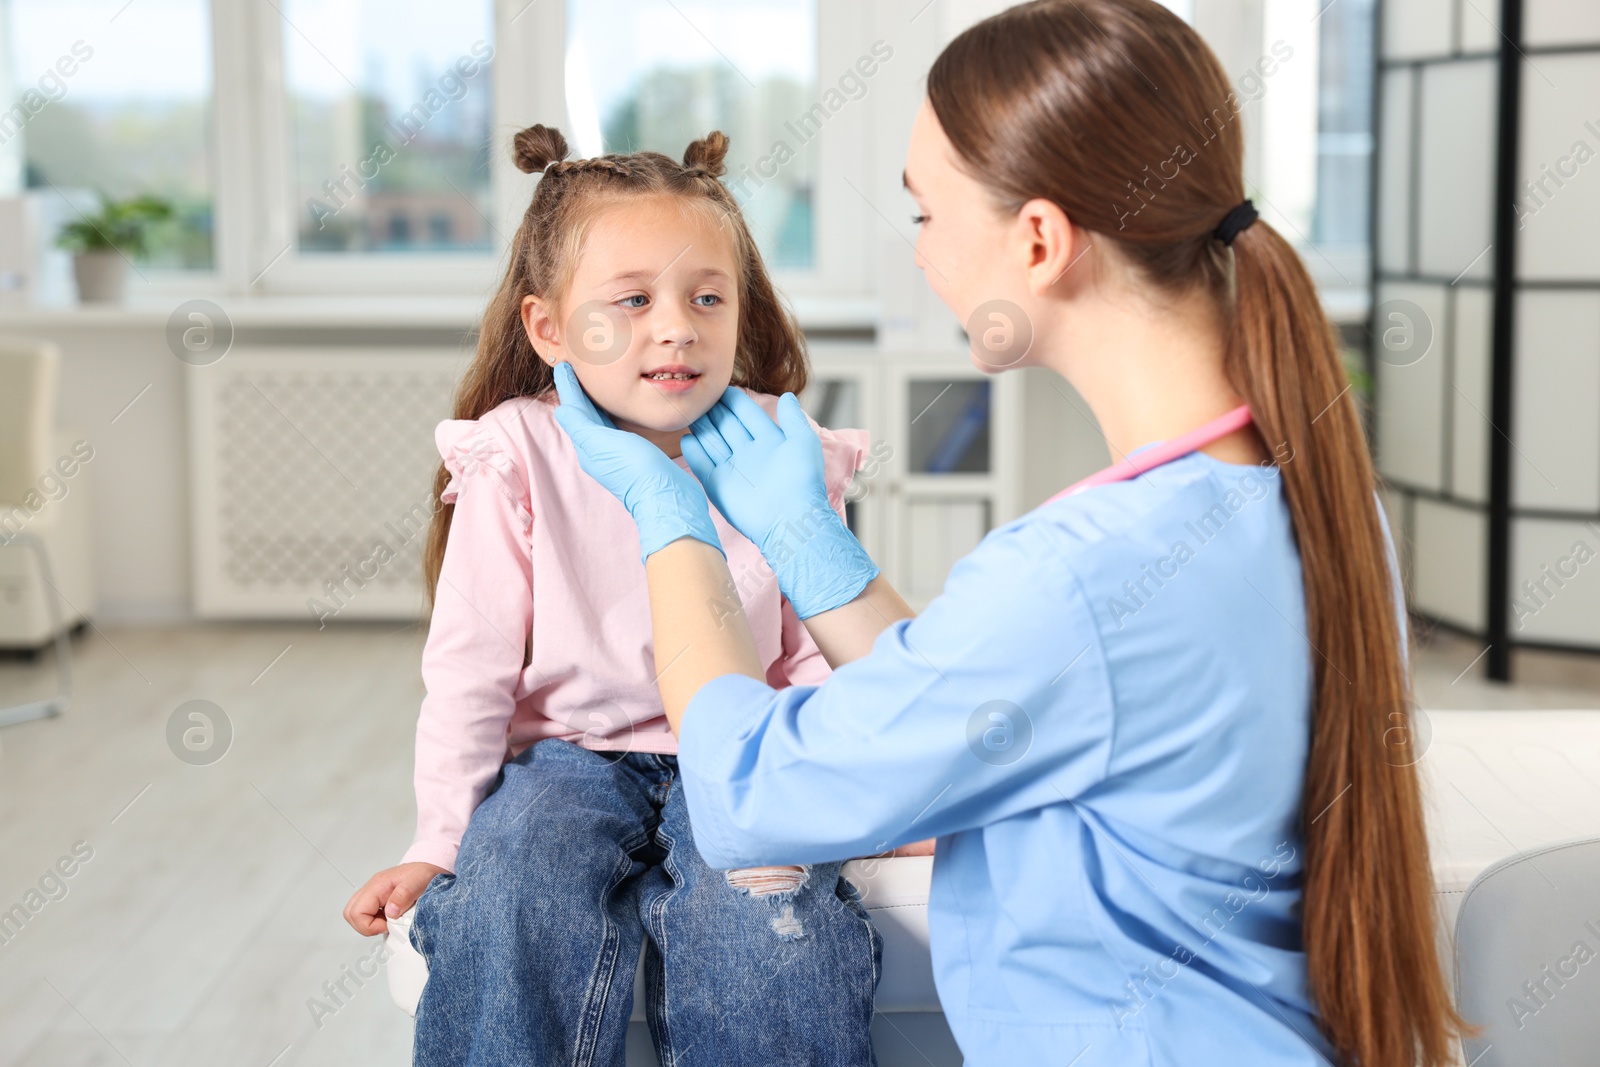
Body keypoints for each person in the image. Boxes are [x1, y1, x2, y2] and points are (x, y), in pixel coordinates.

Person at [549, 1, 1471, 1065]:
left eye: (927, 215)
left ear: (1038, 238)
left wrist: (671, 521)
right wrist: (808, 545)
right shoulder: (1310, 502)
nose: (922, 256)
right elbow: (976, 698)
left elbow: (751, 796)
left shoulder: (1081, 574)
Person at [342, 124, 896, 1067]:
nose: (675, 326)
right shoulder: (516, 452)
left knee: (760, 905)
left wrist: (879, 807)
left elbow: (812, 654)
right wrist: (440, 840)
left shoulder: (778, 449)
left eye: (706, 297)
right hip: (566, 755)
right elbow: (471, 669)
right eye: (631, 300)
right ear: (548, 327)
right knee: (509, 891)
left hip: (740, 748)